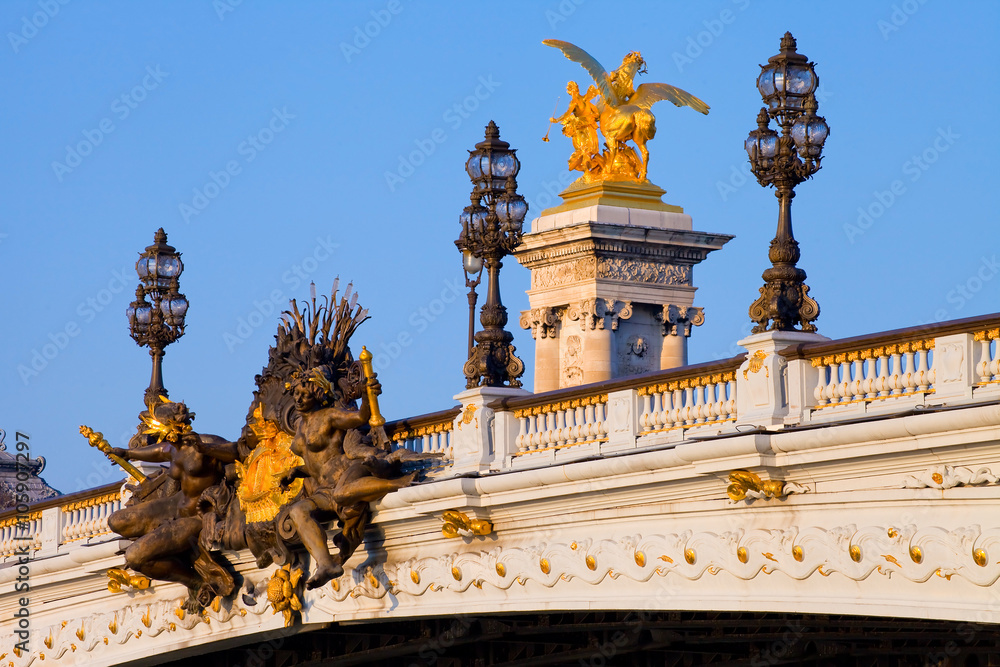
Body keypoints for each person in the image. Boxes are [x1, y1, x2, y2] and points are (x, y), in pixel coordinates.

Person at [280, 368, 434, 589]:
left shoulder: (329, 416)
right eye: (296, 393)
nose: (298, 398)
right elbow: (317, 461)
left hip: (345, 471)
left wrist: (366, 395)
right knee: (296, 511)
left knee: (341, 494)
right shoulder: (299, 426)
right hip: (323, 488)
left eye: (305, 394)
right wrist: (296, 472)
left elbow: (361, 418)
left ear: (318, 393)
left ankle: (398, 483)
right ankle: (325, 564)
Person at [107, 399, 235, 607]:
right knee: (117, 521)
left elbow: (236, 452)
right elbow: (160, 451)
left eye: (161, 432)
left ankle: (194, 582)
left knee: (135, 557)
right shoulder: (172, 447)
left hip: (197, 516)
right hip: (175, 505)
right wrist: (128, 453)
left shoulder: (206, 442)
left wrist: (207, 449)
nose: (159, 438)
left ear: (174, 428)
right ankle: (160, 539)